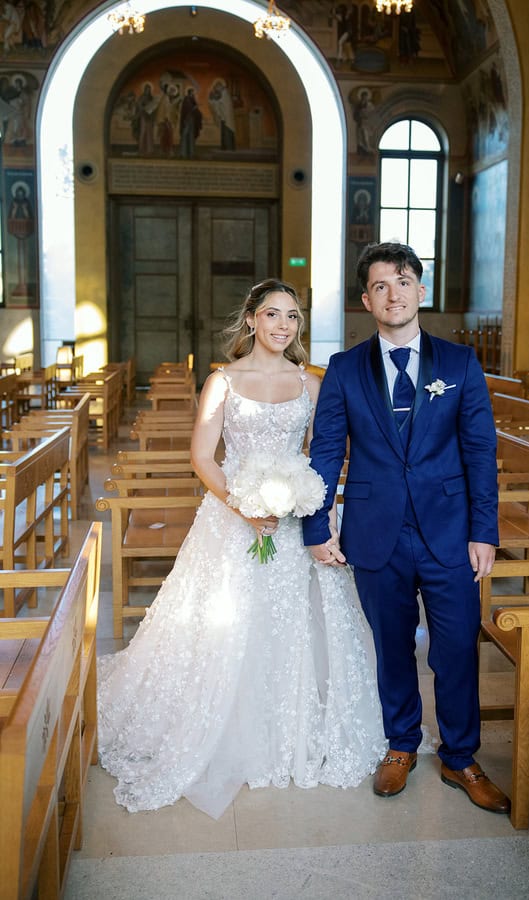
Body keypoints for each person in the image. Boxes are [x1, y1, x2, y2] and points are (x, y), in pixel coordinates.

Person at [97, 278, 386, 819]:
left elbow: (322, 452)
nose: (283, 325)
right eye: (273, 314)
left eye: (293, 317)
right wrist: (243, 504)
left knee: (303, 624)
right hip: (234, 520)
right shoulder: (222, 382)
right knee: (226, 624)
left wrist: (304, 496)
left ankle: (298, 727)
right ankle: (224, 727)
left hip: (295, 519)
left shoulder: (311, 383)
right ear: (251, 319)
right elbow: (204, 457)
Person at [303, 242, 510, 815]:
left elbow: (479, 449)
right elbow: (324, 454)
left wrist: (484, 530)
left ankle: (461, 756)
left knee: (455, 648)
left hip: (450, 531)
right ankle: (401, 746)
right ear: (366, 300)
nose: (393, 294)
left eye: (403, 281)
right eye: (379, 286)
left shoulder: (459, 363)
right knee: (391, 647)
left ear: (421, 289)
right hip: (375, 530)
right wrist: (317, 526)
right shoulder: (345, 369)